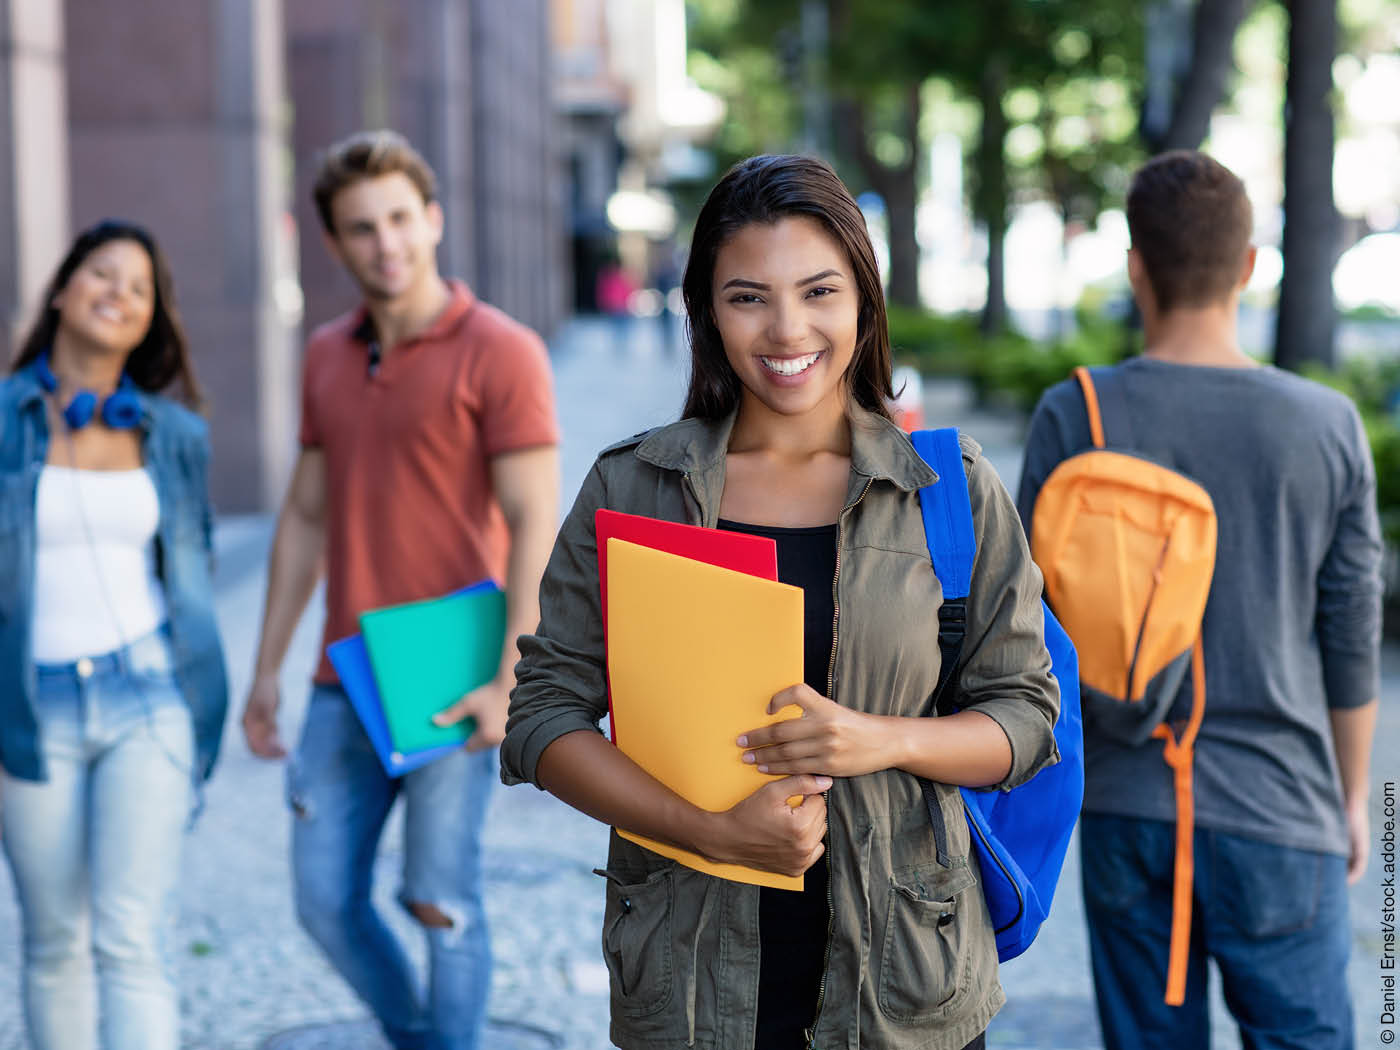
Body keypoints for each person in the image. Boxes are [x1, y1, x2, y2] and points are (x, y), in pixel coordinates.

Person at [502, 154, 1060, 1050]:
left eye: (819, 291)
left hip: (907, 990)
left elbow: (1028, 717)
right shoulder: (631, 487)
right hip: (688, 988)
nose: (787, 328)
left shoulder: (945, 488)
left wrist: (877, 738)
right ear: (706, 312)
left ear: (864, 302)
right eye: (748, 296)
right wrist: (711, 833)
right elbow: (540, 718)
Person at [1016, 150, 1382, 1050]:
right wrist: (1351, 798)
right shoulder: (1326, 423)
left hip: (1127, 800)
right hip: (1282, 806)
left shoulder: (1077, 413)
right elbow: (1350, 630)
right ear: (1250, 265)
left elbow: (1023, 623)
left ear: (1136, 265)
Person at [240, 130, 560, 1050]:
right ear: (334, 246)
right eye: (359, 228)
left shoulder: (503, 352)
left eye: (397, 219)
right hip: (344, 678)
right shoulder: (326, 357)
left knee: (440, 900)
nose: (384, 243)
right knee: (322, 900)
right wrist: (266, 669)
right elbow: (304, 518)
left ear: (433, 220)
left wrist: (512, 677)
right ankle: (421, 1038)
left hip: (450, 670)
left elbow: (535, 520)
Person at [0, 219, 229, 1050]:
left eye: (138, 288)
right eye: (101, 274)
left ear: (149, 321)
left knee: (129, 939)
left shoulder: (174, 437)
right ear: (62, 289)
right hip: (30, 706)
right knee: (54, 938)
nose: (118, 294)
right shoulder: (2, 421)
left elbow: (192, 571)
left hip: (149, 697)